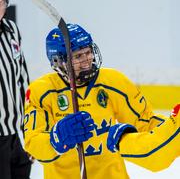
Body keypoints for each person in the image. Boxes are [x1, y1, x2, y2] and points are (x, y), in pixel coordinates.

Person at [23, 23, 179, 179]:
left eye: (88, 52)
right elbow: (33, 144)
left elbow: (145, 121)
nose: (87, 60)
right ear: (58, 61)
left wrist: (171, 127)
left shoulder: (113, 81)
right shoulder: (41, 91)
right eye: (78, 56)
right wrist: (56, 139)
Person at [0, 0, 32, 179]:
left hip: (14, 130)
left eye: (1, 3)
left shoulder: (12, 29)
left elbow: (22, 73)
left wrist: (29, 123)